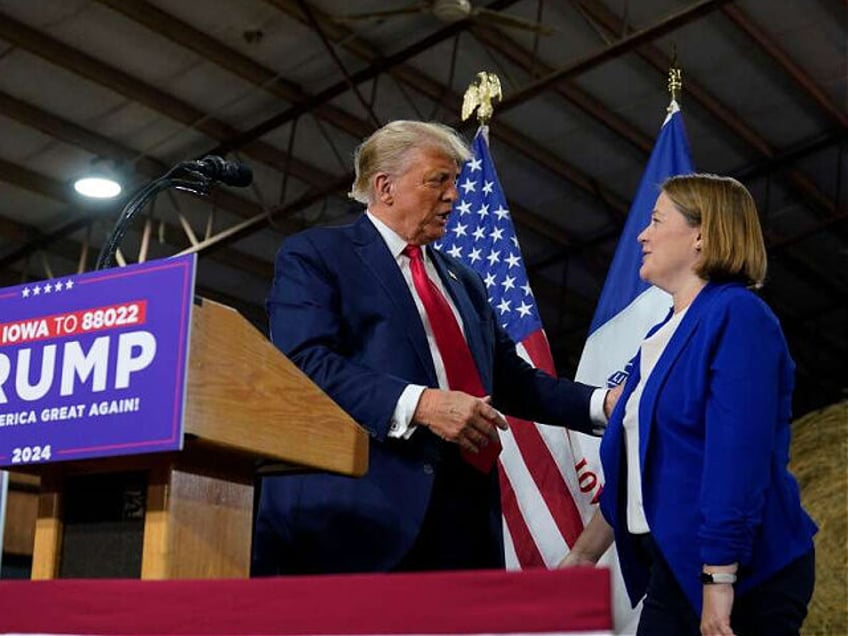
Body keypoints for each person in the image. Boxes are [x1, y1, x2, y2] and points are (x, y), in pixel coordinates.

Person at [252, 120, 615, 575]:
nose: (454, 195)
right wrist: (421, 404)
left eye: (456, 182)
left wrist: (604, 403)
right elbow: (304, 362)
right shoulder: (317, 255)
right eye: (438, 180)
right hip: (359, 518)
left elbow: (511, 379)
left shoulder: (465, 281)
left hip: (465, 516)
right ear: (385, 186)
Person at [560, 174, 817, 636]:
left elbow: (735, 462)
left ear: (701, 235)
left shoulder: (738, 315)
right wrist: (584, 554)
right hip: (676, 572)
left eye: (656, 220)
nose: (642, 233)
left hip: (743, 577)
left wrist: (719, 583)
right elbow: (633, 470)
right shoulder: (661, 334)